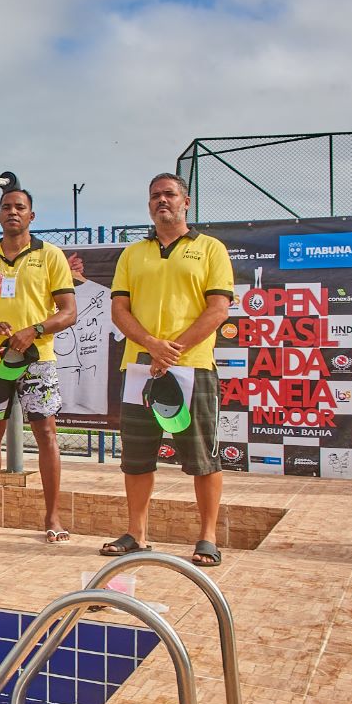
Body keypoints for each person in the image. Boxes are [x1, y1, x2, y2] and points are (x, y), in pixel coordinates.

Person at [100, 173, 234, 567]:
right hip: (141, 368)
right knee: (137, 456)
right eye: (155, 196)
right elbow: (119, 310)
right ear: (148, 205)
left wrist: (173, 349)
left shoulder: (210, 249)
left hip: (192, 367)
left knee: (202, 457)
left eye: (170, 194)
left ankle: (207, 537)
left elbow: (218, 309)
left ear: (185, 202)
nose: (163, 201)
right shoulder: (133, 254)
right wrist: (153, 346)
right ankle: (137, 533)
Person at [0, 188, 77, 541]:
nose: (13, 212)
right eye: (6, 207)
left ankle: (52, 519)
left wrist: (35, 330)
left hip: (37, 362)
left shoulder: (50, 256)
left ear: (31, 216)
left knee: (46, 435)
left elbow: (69, 312)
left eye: (20, 207)